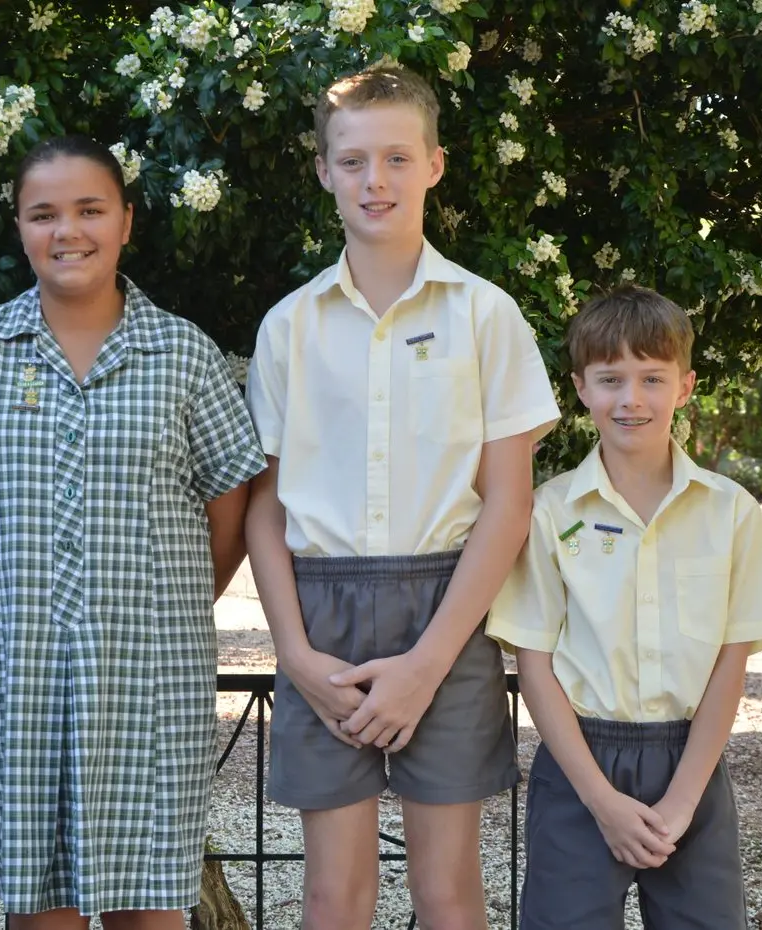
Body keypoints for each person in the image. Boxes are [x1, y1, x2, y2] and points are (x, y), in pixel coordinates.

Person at [0, 135, 265, 929]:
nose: (68, 230)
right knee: (40, 908)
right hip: (8, 672)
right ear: (21, 229)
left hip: (145, 675)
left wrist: (169, 603)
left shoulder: (182, 354)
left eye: (89, 209)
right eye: (44, 214)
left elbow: (228, 502)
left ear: (125, 221)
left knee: (147, 906)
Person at [244, 64, 561, 930]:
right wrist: (297, 656)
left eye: (394, 157)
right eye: (351, 161)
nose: (372, 180)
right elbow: (265, 508)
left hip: (447, 614)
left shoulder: (484, 315)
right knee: (332, 895)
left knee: (450, 893)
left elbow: (507, 504)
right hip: (322, 620)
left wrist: (425, 666)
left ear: (434, 165)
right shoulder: (291, 324)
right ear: (322, 171)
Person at [488, 286, 762, 929]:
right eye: (610, 379)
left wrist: (683, 802)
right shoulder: (549, 513)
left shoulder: (730, 511)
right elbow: (534, 663)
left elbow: (729, 662)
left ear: (684, 386)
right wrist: (601, 801)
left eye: (651, 378)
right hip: (580, 766)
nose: (631, 399)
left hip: (693, 764)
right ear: (580, 388)